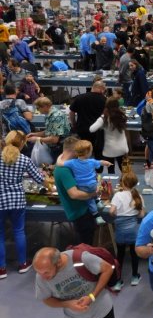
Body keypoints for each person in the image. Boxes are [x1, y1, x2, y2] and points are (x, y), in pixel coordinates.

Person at [34, 247, 117, 318]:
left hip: (102, 315)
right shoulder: (41, 276)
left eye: (46, 272)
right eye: (38, 272)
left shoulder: (82, 258)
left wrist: (92, 297)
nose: (43, 277)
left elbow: (107, 269)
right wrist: (68, 304)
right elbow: (46, 298)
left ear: (59, 262)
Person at [0, 131, 43, 278]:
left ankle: (1, 269)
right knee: (19, 231)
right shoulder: (25, 159)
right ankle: (23, 264)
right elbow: (39, 179)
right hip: (17, 200)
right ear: (22, 143)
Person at [53, 137, 99, 244]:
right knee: (85, 244)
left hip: (78, 210)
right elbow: (74, 194)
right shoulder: (64, 170)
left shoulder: (62, 163)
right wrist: (93, 193)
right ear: (74, 151)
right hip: (80, 212)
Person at [109, 171, 145, 291]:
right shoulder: (138, 196)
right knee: (134, 254)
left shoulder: (117, 195)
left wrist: (117, 214)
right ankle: (135, 276)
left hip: (120, 230)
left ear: (122, 183)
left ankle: (118, 281)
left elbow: (111, 211)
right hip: (133, 230)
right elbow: (141, 215)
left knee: (120, 254)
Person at [63, 140, 112, 226]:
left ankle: (97, 215)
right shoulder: (91, 161)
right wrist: (107, 163)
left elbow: (62, 164)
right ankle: (97, 205)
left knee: (89, 200)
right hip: (93, 185)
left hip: (81, 186)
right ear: (88, 152)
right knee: (93, 193)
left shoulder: (72, 162)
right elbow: (101, 162)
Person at [89, 97, 129, 174]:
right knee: (125, 170)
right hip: (122, 148)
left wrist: (101, 125)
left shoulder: (103, 118)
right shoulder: (122, 116)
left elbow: (91, 129)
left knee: (111, 171)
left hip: (110, 150)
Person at [27, 97, 71, 161]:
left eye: (38, 108)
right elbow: (49, 131)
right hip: (56, 146)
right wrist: (35, 134)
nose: (37, 110)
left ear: (45, 106)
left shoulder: (56, 117)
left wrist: (37, 139)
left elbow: (54, 139)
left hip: (60, 148)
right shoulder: (50, 114)